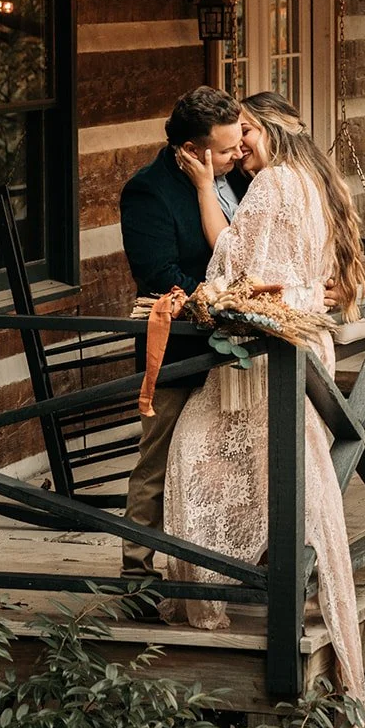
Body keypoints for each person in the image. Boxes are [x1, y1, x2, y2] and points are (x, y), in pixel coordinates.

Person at [161, 90, 365, 724]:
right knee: (286, 471)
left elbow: (232, 259)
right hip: (298, 347)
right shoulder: (310, 178)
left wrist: (203, 191)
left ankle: (214, 591)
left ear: (271, 129)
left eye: (247, 129)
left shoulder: (276, 183)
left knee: (199, 454)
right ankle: (268, 578)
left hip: (272, 357)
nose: (241, 142)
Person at [118, 86, 250, 580]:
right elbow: (161, 274)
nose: (237, 154)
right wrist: (234, 298)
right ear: (192, 151)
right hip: (178, 349)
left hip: (236, 347)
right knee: (157, 459)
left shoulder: (236, 176)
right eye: (225, 148)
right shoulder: (148, 191)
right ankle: (137, 573)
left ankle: (229, 565)